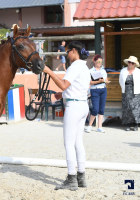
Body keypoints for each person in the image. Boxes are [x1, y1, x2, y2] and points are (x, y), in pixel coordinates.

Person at [43, 41, 90, 191]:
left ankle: (71, 178)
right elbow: (76, 87)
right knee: (78, 142)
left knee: (69, 144)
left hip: (74, 107)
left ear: (74, 51)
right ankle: (81, 176)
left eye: (68, 51)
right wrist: (63, 94)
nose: (67, 55)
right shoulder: (85, 66)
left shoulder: (75, 66)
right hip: (82, 104)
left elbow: (64, 84)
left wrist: (50, 72)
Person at [85, 55, 110, 133]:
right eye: (98, 62)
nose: (100, 63)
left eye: (101, 62)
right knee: (95, 109)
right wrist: (99, 81)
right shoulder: (90, 71)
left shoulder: (103, 70)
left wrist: (106, 81)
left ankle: (99, 127)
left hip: (103, 90)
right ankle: (89, 126)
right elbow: (89, 82)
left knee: (101, 109)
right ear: (94, 61)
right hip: (94, 90)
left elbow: (105, 80)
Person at [119, 56, 140, 131]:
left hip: (136, 92)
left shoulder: (138, 71)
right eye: (129, 62)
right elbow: (120, 81)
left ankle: (136, 124)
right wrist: (124, 88)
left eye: (132, 63)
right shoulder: (123, 71)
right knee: (127, 108)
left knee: (135, 108)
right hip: (126, 91)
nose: (130, 64)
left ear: (135, 64)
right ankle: (127, 124)